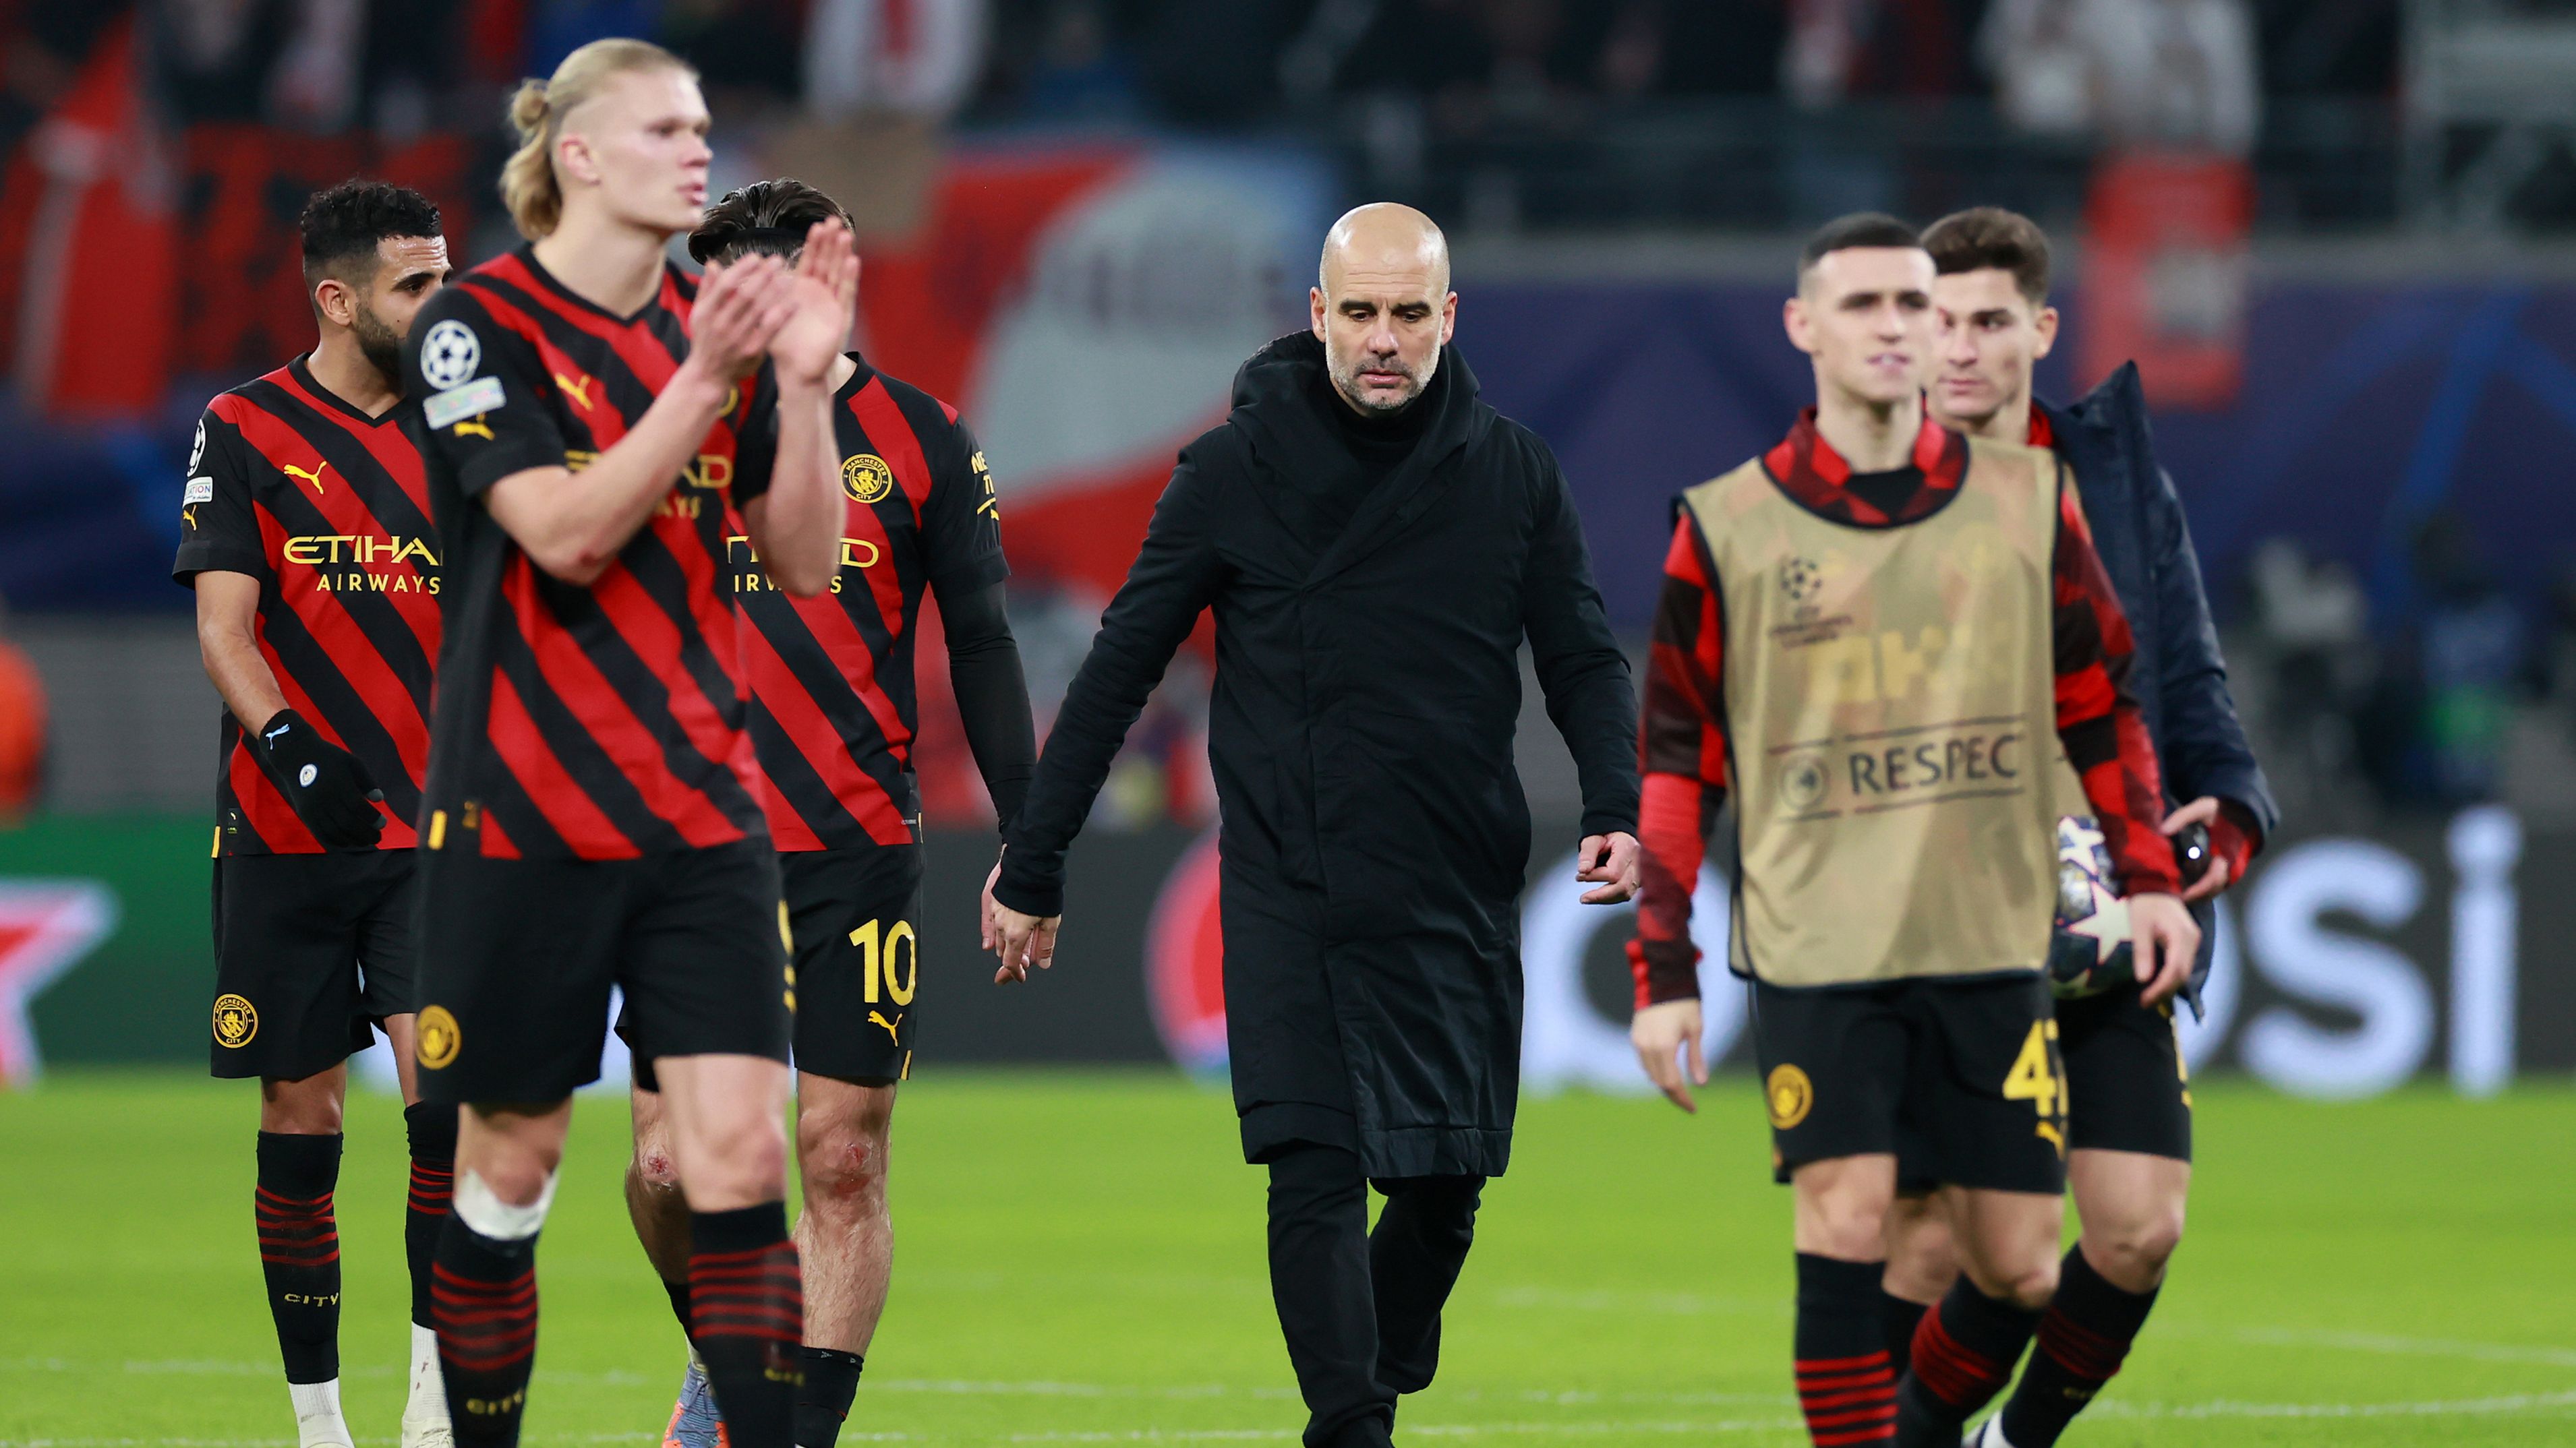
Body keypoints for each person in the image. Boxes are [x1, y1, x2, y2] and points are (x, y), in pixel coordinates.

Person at [986, 202, 1642, 1448]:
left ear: (1450, 319)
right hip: (1290, 882)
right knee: (1314, 1174)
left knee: (1448, 1189)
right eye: (1359, 313)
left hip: (1454, 884)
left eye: (1408, 314)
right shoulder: (1232, 471)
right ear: (1316, 318)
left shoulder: (1513, 474)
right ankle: (1351, 1427)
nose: (1382, 340)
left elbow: (1583, 661)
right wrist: (1035, 858)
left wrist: (1612, 800)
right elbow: (1123, 665)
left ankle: (1380, 1363)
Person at [1624, 213, 2198, 1448]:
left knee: (2018, 1264)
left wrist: (2148, 878)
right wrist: (1662, 971)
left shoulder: (2029, 503)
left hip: (1989, 939)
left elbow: (2102, 707)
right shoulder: (1725, 526)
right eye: (1869, 306)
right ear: (1803, 328)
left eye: (1913, 304)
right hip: (1819, 935)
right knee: (1845, 1220)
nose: (1899, 329)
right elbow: (1678, 761)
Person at [395, 38, 851, 1448]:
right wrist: (711, 384)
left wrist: (812, 388)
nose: (698, 147)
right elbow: (565, 534)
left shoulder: (710, 332)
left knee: (732, 1159)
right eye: (665, 127)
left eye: (703, 124)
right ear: (578, 154)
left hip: (702, 814)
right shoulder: (474, 329)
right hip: (524, 812)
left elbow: (805, 562)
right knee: (512, 1169)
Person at [624, 177, 1038, 1448]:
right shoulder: (665, 434)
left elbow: (979, 642)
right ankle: (731, 1351)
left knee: (843, 1157)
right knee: (663, 1172)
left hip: (852, 846)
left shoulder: (925, 439)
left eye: (755, 284)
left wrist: (1033, 841)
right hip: (686, 851)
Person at [1905, 205, 2276, 1448]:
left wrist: (2230, 811)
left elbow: (2192, 683)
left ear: (2041, 328)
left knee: (2135, 1227)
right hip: (1937, 924)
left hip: (2104, 908)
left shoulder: (2113, 477)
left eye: (1989, 322)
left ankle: (2016, 1440)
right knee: (1939, 1251)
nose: (1960, 349)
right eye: (1936, 321)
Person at [171, 179, 456, 1448]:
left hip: (435, 842)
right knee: (302, 1119)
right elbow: (223, 628)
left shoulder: (474, 427)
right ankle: (319, 1420)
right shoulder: (242, 426)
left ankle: (437, 1407)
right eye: (417, 284)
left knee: (444, 1106)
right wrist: (288, 745)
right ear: (339, 299)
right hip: (284, 834)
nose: (443, 303)